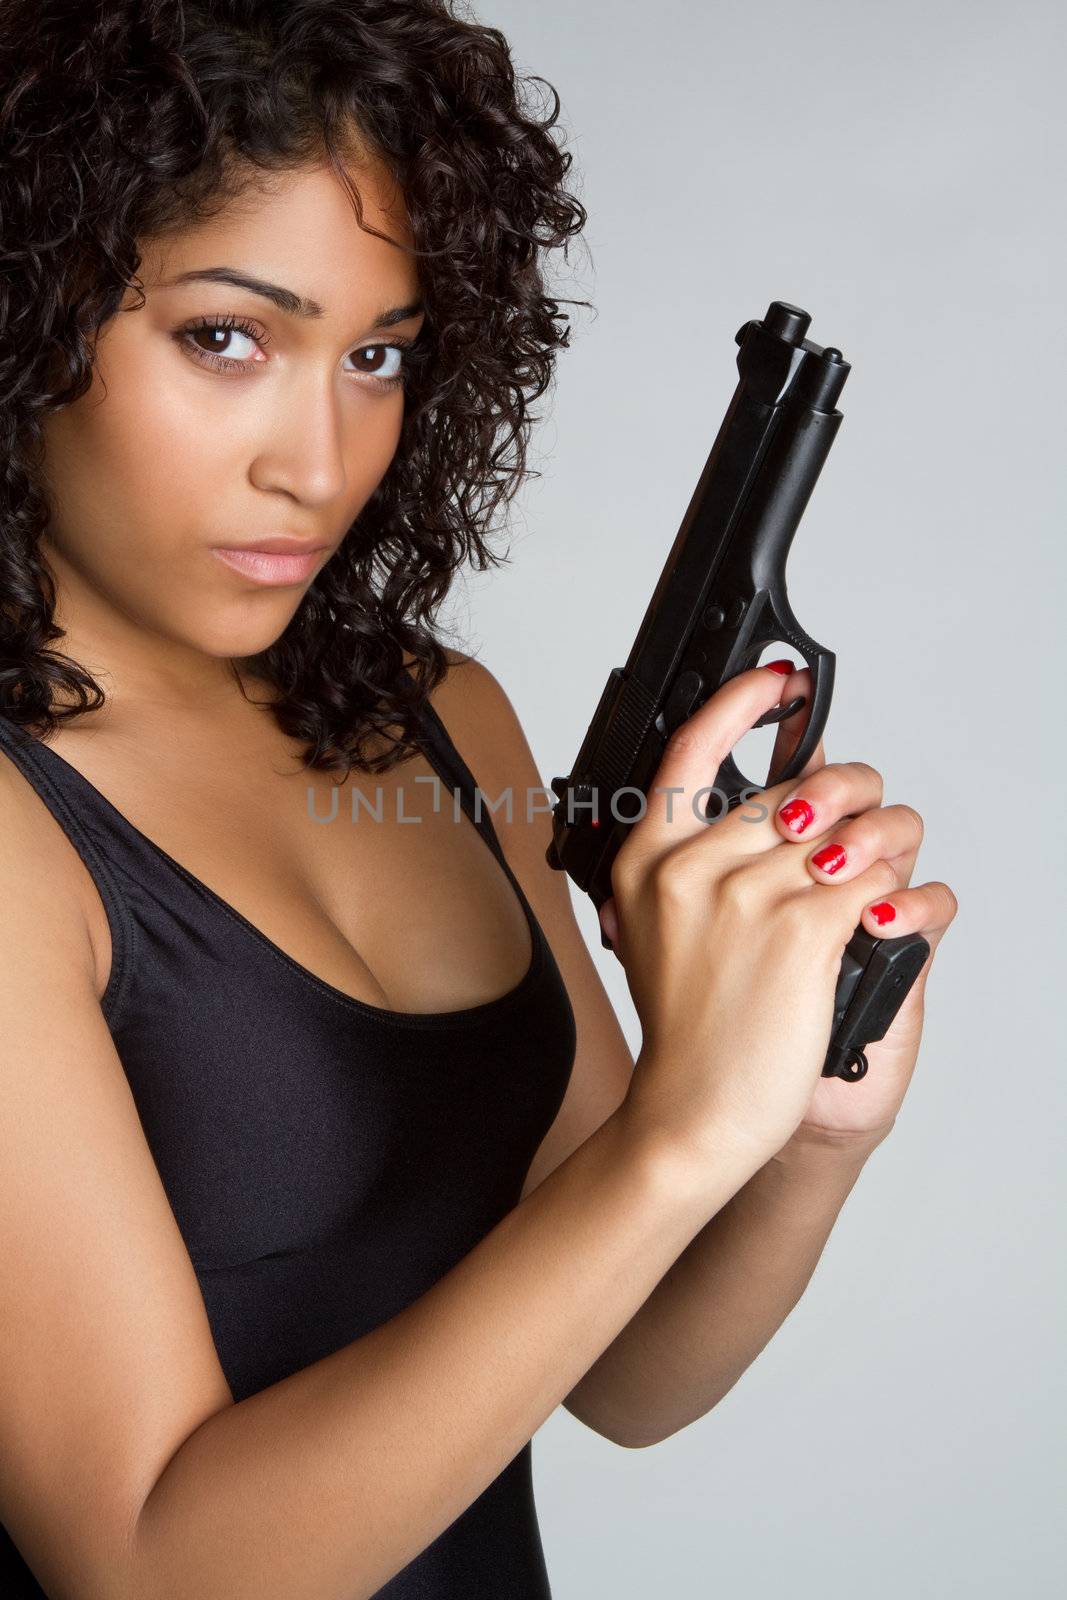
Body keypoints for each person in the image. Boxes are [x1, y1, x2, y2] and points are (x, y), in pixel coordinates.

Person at [0, 2, 959, 1597]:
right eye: (228, 338)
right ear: (28, 313)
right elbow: (149, 1566)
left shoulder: (442, 721)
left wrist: (799, 1132)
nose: (319, 459)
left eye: (377, 354)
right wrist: (678, 1133)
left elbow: (629, 1373)